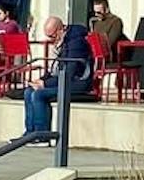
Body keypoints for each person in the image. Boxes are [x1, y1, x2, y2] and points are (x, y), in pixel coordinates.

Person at [22, 16, 93, 144]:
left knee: (39, 94)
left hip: (78, 83)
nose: (50, 40)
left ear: (61, 30)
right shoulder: (62, 43)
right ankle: (30, 133)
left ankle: (42, 136)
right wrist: (41, 80)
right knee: (29, 92)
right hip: (63, 81)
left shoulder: (76, 43)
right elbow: (55, 69)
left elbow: (69, 73)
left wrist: (45, 84)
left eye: (52, 36)